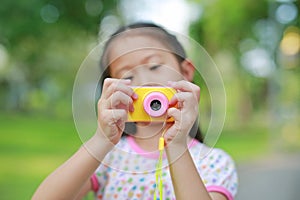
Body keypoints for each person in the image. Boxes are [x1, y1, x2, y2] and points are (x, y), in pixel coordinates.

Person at [33, 22, 238, 200]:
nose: (143, 81)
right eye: (127, 77)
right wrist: (101, 140)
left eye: (155, 66)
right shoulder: (108, 158)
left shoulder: (214, 163)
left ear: (186, 72)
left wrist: (176, 145)